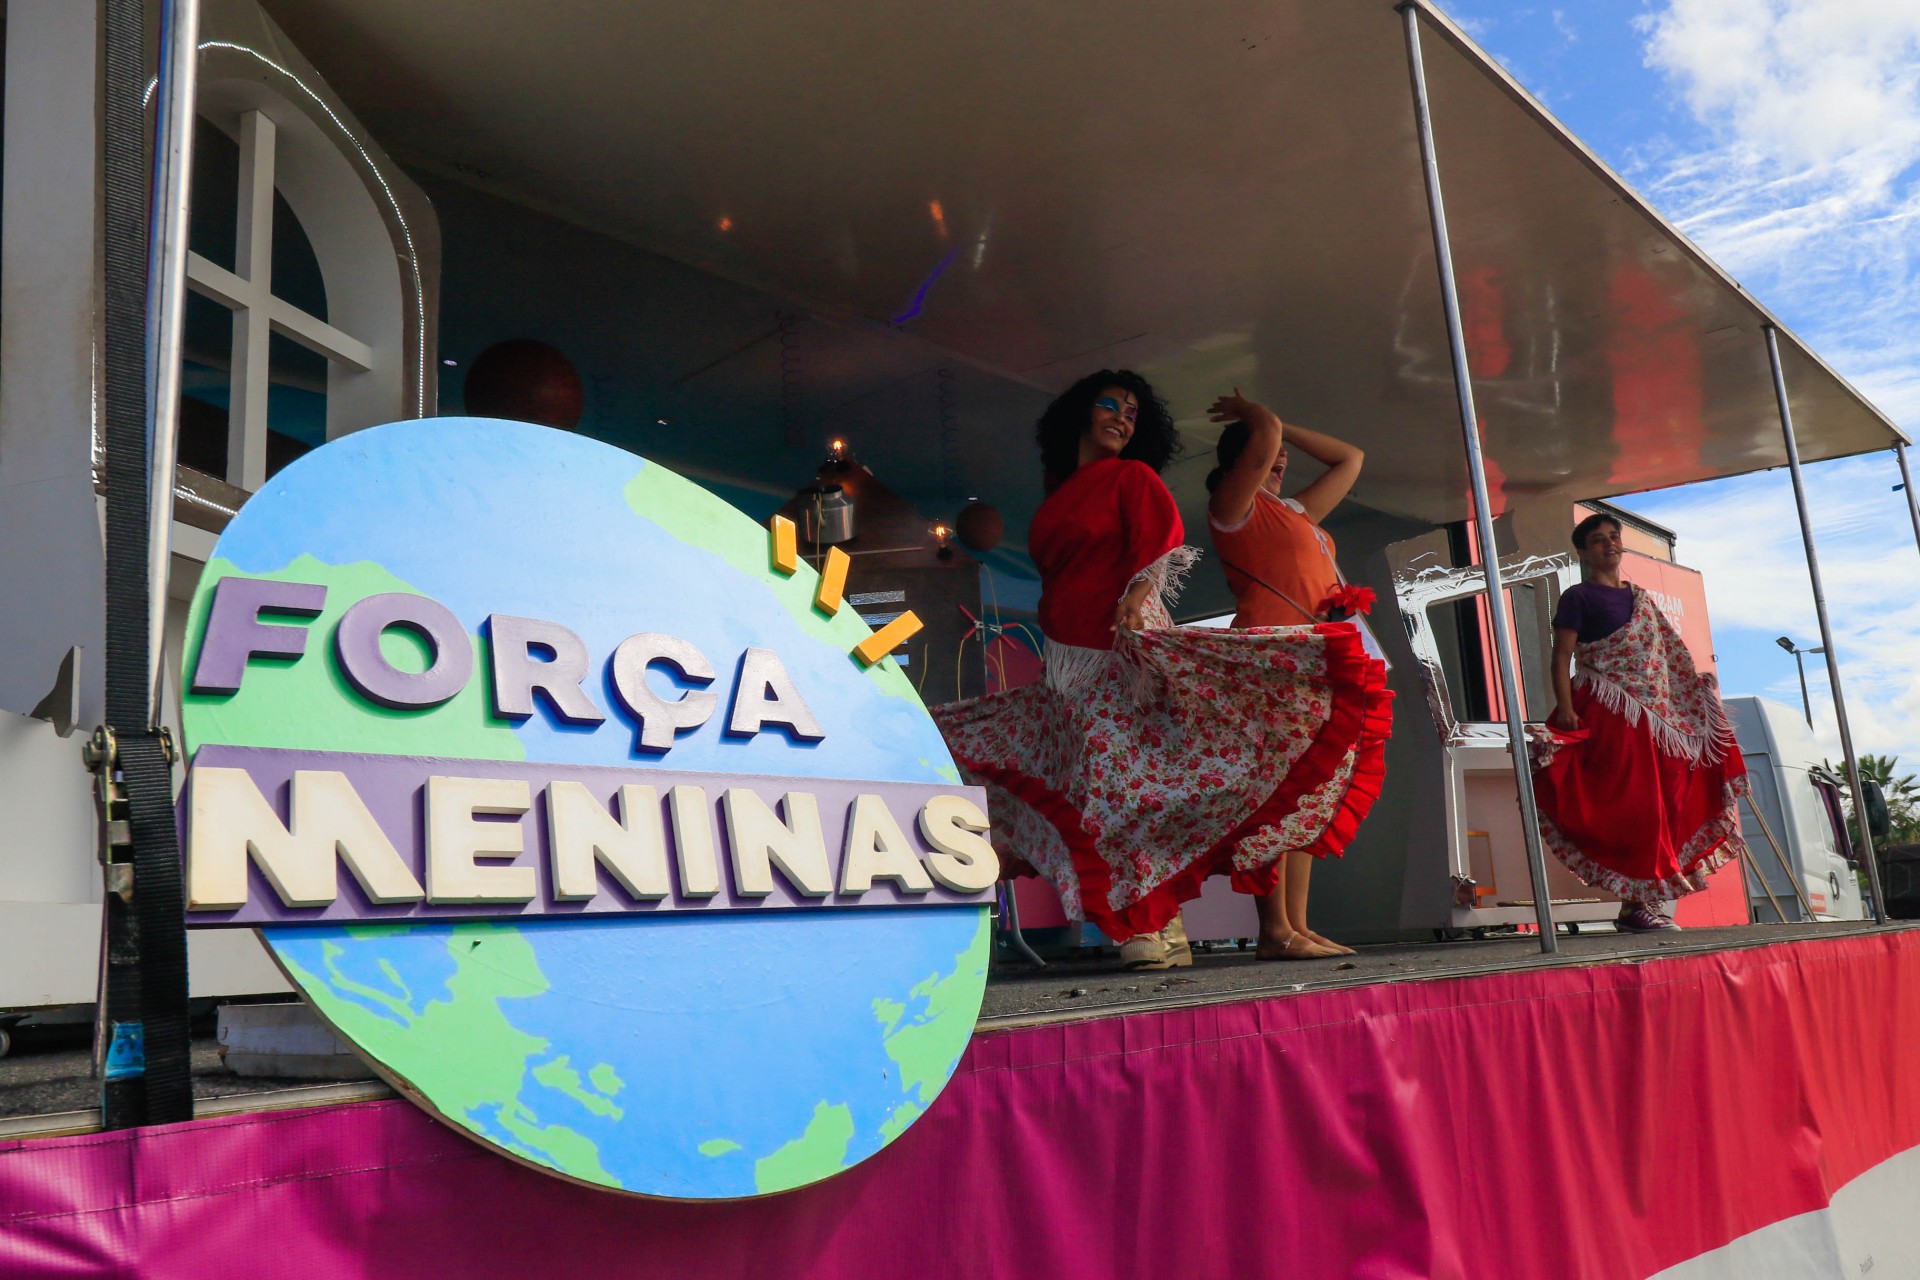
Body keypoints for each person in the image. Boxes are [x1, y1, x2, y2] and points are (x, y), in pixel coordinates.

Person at [933, 370, 1393, 969]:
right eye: (1110, 405)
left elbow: (1162, 538)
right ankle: (1162, 924)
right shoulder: (1060, 492)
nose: (1122, 418)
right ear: (1079, 413)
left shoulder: (1133, 476)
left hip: (1123, 643)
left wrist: (1138, 593)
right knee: (1094, 788)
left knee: (1123, 784)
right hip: (1069, 656)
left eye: (1132, 412)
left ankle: (1153, 926)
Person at [1205, 389, 1387, 959]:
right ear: (1243, 460)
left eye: (1283, 455)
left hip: (1319, 661)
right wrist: (1259, 418)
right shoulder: (1234, 505)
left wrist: (1280, 425)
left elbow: (1350, 458)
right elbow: (1263, 437)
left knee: (1312, 794)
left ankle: (1297, 927)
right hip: (1273, 661)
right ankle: (1273, 931)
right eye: (1271, 453)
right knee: (1278, 794)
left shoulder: (1296, 511)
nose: (1280, 459)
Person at [1530, 512, 1751, 931]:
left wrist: (1694, 685)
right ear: (1583, 552)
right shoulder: (1578, 597)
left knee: (1665, 802)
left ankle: (1642, 904)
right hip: (1610, 712)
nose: (1609, 544)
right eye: (1599, 540)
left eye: (1614, 537)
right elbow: (1562, 656)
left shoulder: (1641, 598)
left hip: (1653, 720)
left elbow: (1664, 658)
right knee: (1634, 806)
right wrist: (1566, 708)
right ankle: (1636, 904)